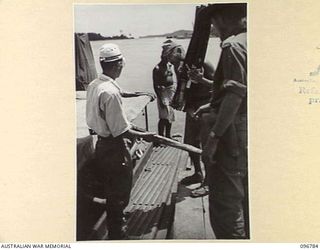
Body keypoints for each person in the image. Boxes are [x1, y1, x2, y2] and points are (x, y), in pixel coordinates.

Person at [86, 43, 156, 240]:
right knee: (120, 191)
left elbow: (118, 93)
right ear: (117, 65)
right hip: (114, 149)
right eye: (121, 64)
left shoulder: (95, 85)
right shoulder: (110, 93)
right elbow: (120, 131)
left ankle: (115, 221)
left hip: (100, 145)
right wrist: (146, 136)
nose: (123, 67)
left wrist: (137, 94)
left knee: (110, 188)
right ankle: (118, 234)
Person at [194, 3, 249, 239]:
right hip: (248, 132)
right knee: (246, 198)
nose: (214, 29)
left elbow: (236, 95)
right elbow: (242, 91)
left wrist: (214, 138)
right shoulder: (251, 41)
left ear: (224, 19)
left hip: (231, 137)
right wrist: (213, 103)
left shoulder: (232, 45)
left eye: (214, 23)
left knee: (225, 206)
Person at [153, 40, 177, 138]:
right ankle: (161, 137)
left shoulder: (169, 66)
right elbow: (155, 85)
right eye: (166, 56)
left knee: (170, 116)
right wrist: (161, 99)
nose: (168, 58)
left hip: (171, 92)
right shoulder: (157, 68)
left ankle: (168, 136)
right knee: (163, 117)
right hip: (163, 93)